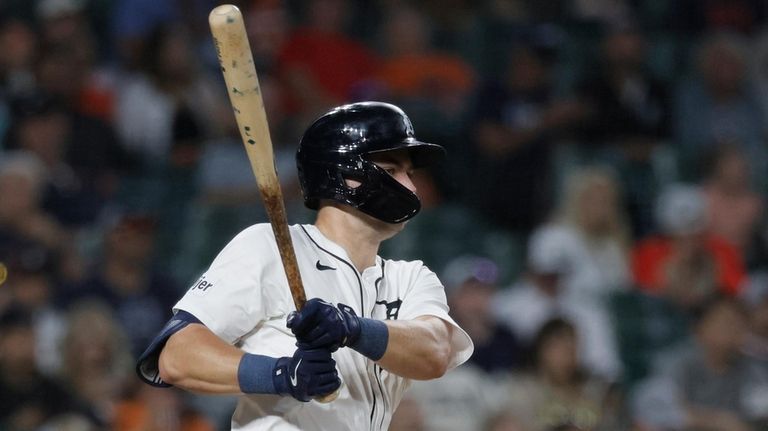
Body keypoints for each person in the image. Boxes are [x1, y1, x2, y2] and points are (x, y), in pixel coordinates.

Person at [136, 102, 473, 430]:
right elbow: (176, 357)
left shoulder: (409, 278)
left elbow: (436, 352)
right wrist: (282, 375)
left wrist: (352, 329)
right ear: (344, 174)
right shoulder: (274, 246)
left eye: (410, 173)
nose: (411, 186)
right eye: (391, 170)